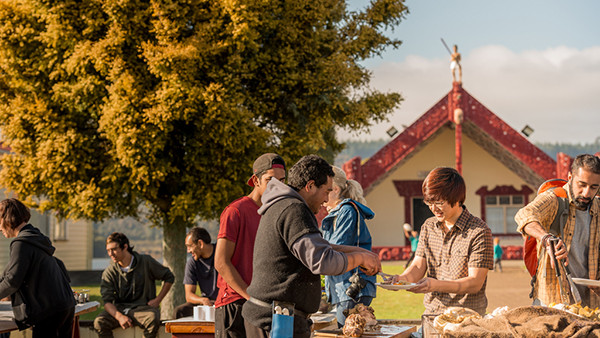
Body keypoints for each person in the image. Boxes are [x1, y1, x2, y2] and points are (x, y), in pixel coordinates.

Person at [242, 154, 381, 338]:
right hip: (275, 320)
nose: (326, 199)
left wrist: (360, 252)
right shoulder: (294, 210)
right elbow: (323, 261)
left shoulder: (287, 205)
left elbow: (320, 246)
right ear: (310, 186)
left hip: (275, 316)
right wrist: (361, 258)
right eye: (326, 191)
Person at [392, 167, 493, 317]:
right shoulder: (428, 226)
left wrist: (435, 285)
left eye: (439, 202)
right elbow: (418, 265)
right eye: (429, 202)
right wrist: (401, 280)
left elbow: (475, 283)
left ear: (457, 198)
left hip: (467, 317)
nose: (433, 208)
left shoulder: (479, 231)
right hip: (432, 313)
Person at [214, 153, 286, 337]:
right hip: (234, 304)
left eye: (282, 180)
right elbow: (221, 262)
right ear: (256, 180)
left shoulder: (277, 213)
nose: (277, 186)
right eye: (270, 179)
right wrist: (250, 296)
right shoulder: (235, 211)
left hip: (262, 306)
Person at [515, 154, 600, 307]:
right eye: (582, 184)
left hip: (589, 303)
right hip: (552, 301)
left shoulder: (598, 208)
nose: (586, 193)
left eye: (593, 187)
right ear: (570, 177)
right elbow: (524, 215)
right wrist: (546, 239)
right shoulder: (554, 199)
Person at [0, 198, 75, 337]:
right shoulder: (34, 238)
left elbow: (12, 281)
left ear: (7, 219)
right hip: (65, 305)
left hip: (50, 311)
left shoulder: (21, 243)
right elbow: (9, 273)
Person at [321, 166, 376, 327]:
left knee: (349, 331)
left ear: (335, 189)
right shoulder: (339, 212)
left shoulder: (346, 211)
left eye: (325, 190)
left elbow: (337, 247)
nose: (323, 197)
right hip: (345, 288)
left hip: (352, 288)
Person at [94, 232, 174, 338]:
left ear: (125, 247)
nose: (110, 254)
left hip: (143, 309)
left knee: (152, 318)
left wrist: (158, 300)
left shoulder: (145, 261)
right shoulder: (109, 272)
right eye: (108, 250)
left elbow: (169, 277)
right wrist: (119, 316)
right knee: (99, 322)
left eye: (113, 249)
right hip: (119, 310)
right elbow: (107, 302)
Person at [174, 227, 219, 318]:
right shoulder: (192, 263)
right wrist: (203, 300)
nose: (188, 251)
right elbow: (189, 295)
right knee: (179, 311)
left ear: (200, 243)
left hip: (224, 302)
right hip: (206, 303)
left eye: (189, 246)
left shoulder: (221, 252)